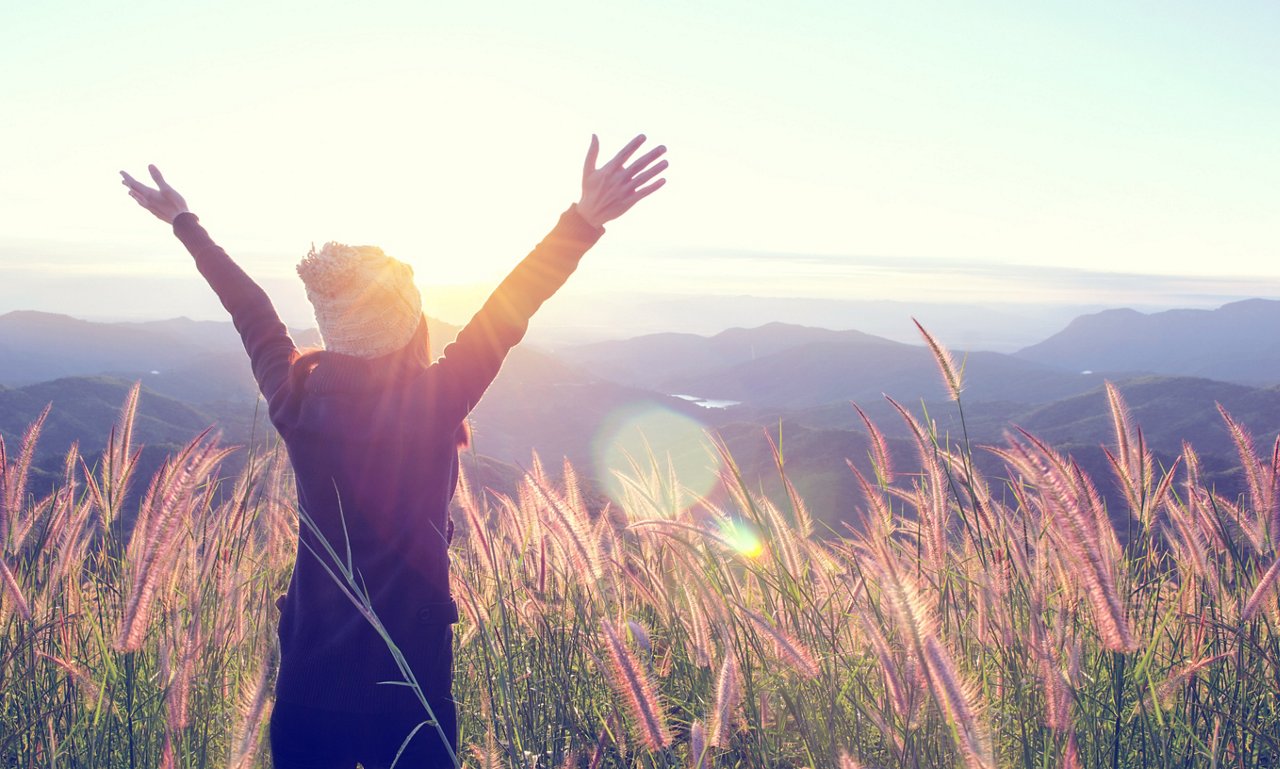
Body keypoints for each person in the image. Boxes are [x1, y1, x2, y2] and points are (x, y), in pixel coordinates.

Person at [120, 134, 667, 768]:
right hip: (413, 691)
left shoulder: (295, 401)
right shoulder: (432, 404)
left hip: (309, 685)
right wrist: (581, 222)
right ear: (410, 324)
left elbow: (252, 312)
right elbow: (506, 312)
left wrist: (185, 222)